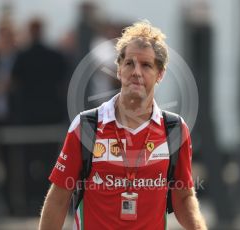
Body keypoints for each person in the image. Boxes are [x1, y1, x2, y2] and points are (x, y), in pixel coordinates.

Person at [39, 21, 207, 230]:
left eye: (146, 65)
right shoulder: (86, 126)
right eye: (129, 63)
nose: (136, 72)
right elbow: (58, 199)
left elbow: (183, 199)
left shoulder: (174, 129)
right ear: (118, 69)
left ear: (160, 74)